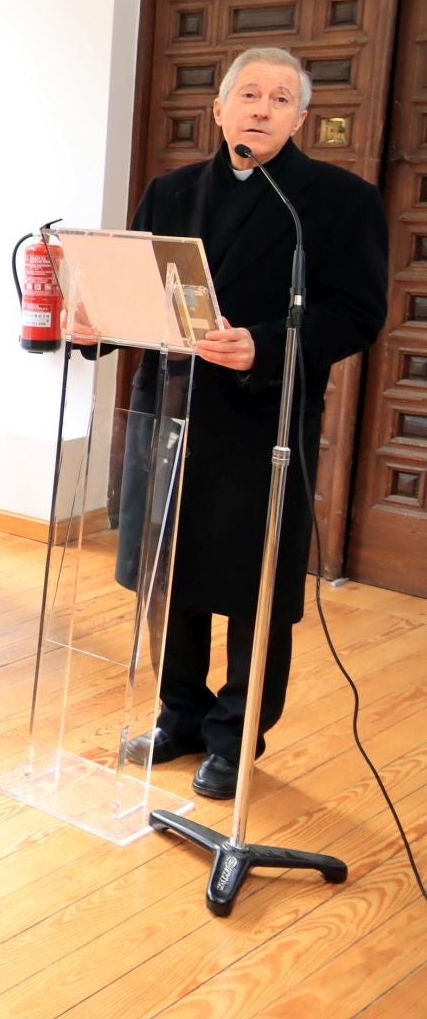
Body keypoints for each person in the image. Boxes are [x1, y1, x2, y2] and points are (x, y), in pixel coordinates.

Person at [107, 47, 387, 799]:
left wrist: (264, 344)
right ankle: (180, 715)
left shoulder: (333, 201)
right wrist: (89, 323)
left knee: (250, 584)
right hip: (169, 413)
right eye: (249, 95)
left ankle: (237, 735)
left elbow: (358, 314)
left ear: (300, 119)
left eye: (280, 99)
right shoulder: (170, 192)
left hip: (263, 420)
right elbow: (135, 288)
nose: (262, 109)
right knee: (173, 575)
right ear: (220, 110)